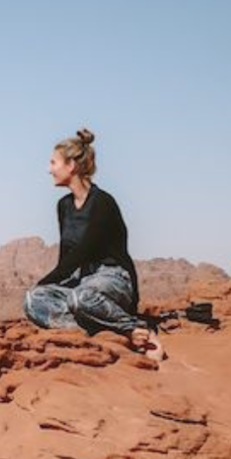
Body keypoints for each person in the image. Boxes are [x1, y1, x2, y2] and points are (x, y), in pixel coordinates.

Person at [23, 128, 166, 361]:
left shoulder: (103, 203)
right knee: (33, 300)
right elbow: (66, 255)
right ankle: (91, 331)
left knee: (80, 298)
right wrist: (42, 289)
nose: (48, 169)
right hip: (83, 279)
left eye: (53, 163)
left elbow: (81, 253)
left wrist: (45, 281)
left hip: (113, 278)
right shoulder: (64, 206)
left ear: (71, 166)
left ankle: (135, 328)